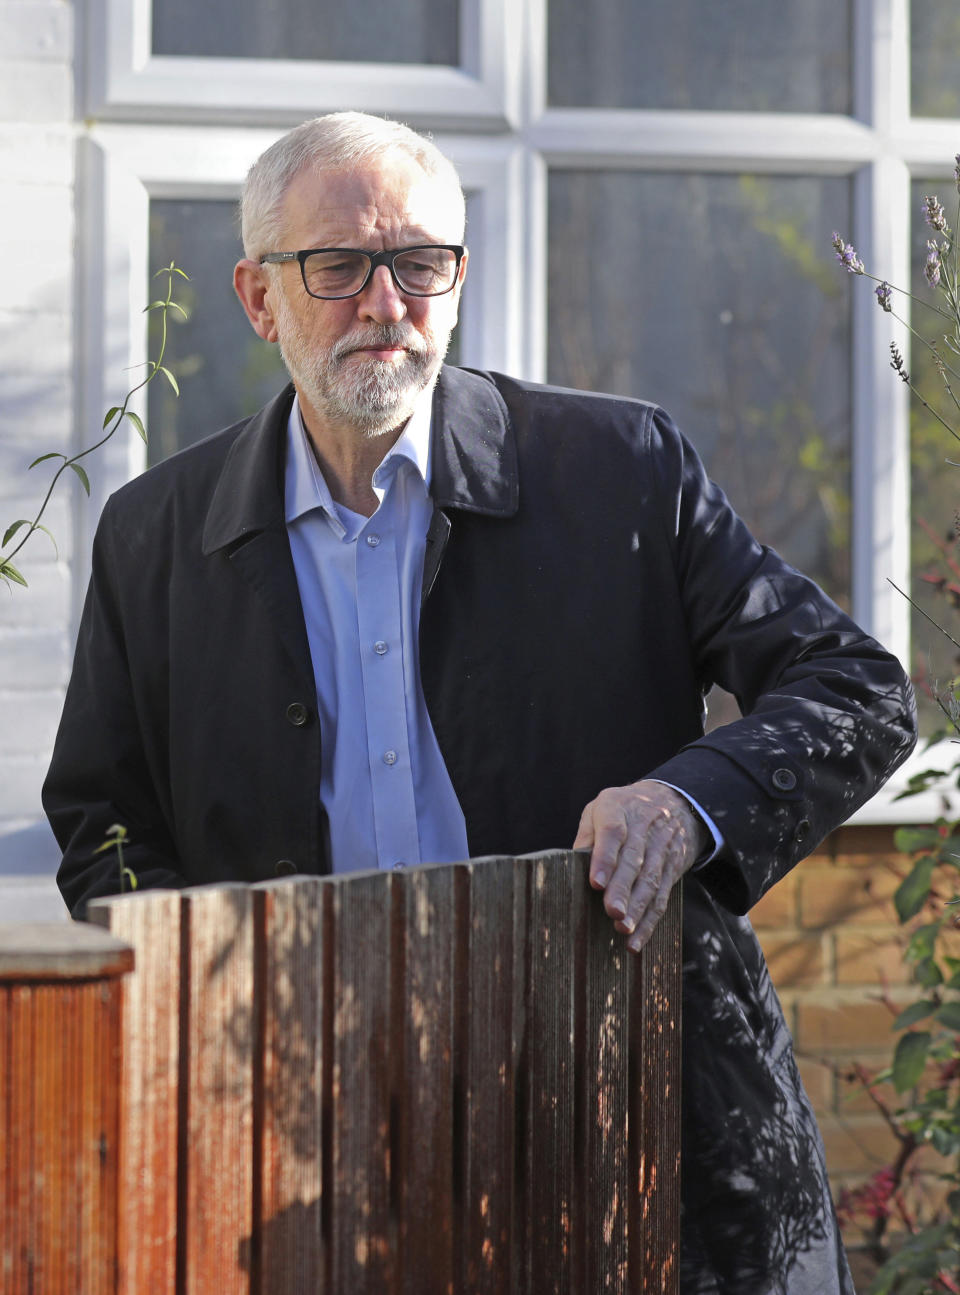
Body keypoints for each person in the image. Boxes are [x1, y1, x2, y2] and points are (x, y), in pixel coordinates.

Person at [44, 112, 916, 1293]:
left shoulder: (619, 470)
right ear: (259, 297)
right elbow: (106, 828)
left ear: (457, 279)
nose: (384, 303)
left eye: (420, 264)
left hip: (641, 1107)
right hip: (318, 1148)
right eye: (339, 266)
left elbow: (857, 687)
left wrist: (686, 799)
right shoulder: (155, 538)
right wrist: (212, 1022)